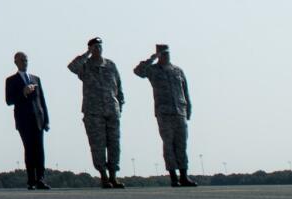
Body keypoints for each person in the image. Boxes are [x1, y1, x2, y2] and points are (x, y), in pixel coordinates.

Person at [134, 44, 196, 187]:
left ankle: (184, 176)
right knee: (169, 145)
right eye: (162, 53)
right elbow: (138, 71)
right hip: (164, 113)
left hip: (180, 111)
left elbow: (185, 91)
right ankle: (174, 177)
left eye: (167, 53)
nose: (166, 56)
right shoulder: (153, 70)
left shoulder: (178, 71)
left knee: (181, 144)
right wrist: (152, 58)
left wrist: (188, 109)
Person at [68, 37, 125, 188]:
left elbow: (118, 86)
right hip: (93, 112)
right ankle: (104, 176)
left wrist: (120, 106)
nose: (98, 49)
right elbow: (72, 67)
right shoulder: (85, 66)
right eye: (94, 47)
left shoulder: (111, 65)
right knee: (98, 145)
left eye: (99, 47)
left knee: (114, 144)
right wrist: (87, 54)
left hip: (112, 110)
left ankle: (113, 176)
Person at [5, 51, 50, 190]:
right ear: (16, 62)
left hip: (38, 119)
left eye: (26, 60)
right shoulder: (11, 80)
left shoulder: (35, 79)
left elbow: (42, 100)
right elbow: (9, 100)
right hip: (23, 120)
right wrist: (23, 92)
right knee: (29, 149)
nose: (24, 63)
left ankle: (41, 179)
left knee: (40, 150)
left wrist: (46, 120)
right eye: (22, 60)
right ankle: (31, 180)